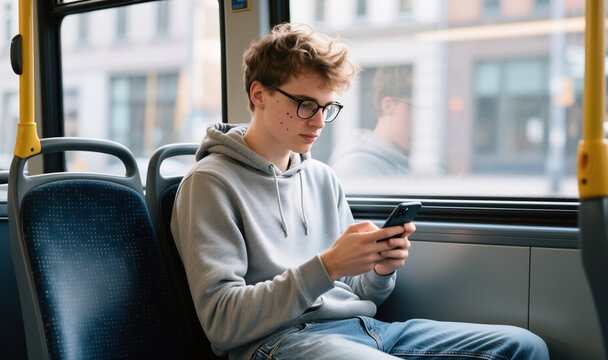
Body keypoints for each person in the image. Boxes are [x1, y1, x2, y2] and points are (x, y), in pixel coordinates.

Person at [171, 23, 549, 360]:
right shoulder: (209, 183)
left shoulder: (321, 177)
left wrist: (380, 269)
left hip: (363, 329)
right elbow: (222, 322)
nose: (319, 122)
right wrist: (328, 265)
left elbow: (356, 291)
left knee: (523, 346)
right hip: (280, 342)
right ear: (259, 94)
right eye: (305, 105)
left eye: (327, 107)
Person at [330, 66, 413, 177]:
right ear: (388, 105)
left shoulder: (410, 162)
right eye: (416, 109)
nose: (424, 120)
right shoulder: (359, 167)